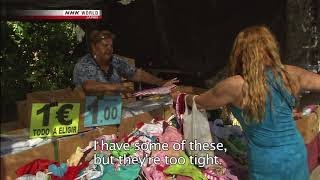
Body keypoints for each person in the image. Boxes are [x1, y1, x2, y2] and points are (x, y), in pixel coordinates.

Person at [171, 25, 320, 180]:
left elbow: (201, 102)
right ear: (271, 48)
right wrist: (302, 104)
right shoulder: (289, 74)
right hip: (296, 153)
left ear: (240, 53)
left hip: (266, 162)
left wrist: (180, 97)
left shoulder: (234, 86)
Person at [73, 30, 178, 94]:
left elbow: (137, 74)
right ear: (94, 48)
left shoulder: (114, 60)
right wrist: (116, 87)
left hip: (113, 110)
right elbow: (88, 86)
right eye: (105, 46)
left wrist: (162, 83)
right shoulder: (84, 64)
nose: (109, 49)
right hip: (86, 114)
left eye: (111, 46)